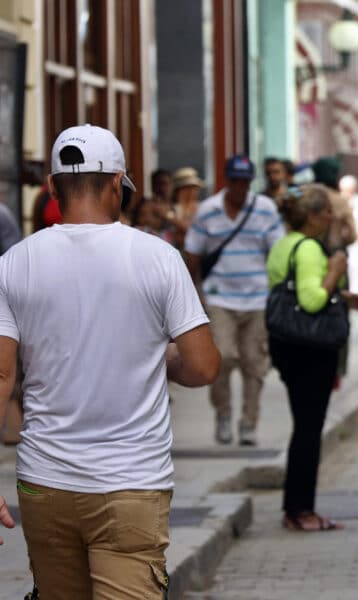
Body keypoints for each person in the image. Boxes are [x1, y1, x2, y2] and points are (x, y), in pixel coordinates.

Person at [0, 124, 220, 597]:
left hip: (44, 482)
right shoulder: (158, 257)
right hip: (130, 482)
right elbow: (203, 367)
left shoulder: (14, 262)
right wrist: (160, 356)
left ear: (54, 187)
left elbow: (1, 374)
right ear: (117, 183)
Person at [266, 184, 358, 532]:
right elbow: (310, 301)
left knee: (303, 428)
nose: (331, 218)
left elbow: (294, 289)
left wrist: (340, 292)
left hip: (288, 345)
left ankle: (295, 507)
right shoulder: (308, 248)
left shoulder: (283, 244)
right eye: (326, 213)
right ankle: (301, 510)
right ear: (311, 215)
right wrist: (335, 269)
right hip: (310, 350)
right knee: (309, 430)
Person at [184, 154, 285, 445]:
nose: (240, 186)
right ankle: (224, 414)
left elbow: (276, 253)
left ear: (251, 182)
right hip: (219, 298)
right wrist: (190, 296)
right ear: (227, 181)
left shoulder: (265, 210)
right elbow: (193, 252)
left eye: (245, 181)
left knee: (254, 363)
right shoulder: (208, 210)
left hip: (257, 299)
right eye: (236, 180)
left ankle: (249, 423)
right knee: (223, 357)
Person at [169, 166, 205, 250]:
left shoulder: (202, 208)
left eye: (195, 188)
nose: (192, 192)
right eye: (188, 188)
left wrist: (172, 219)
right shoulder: (172, 208)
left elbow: (194, 232)